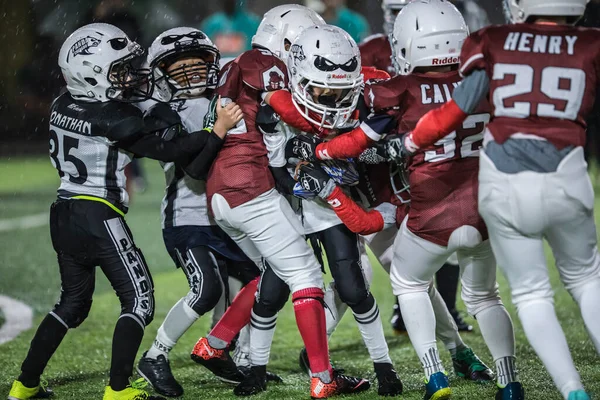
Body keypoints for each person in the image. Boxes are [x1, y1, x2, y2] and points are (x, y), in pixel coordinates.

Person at [286, 2, 521, 399]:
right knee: (353, 280)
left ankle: (452, 354)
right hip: (383, 193)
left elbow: (370, 161)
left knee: (399, 280)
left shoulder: (381, 89)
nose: (332, 93)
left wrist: (332, 164)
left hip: (387, 194)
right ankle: (302, 355)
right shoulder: (293, 101)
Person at [6, 23, 244, 400]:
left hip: (64, 211)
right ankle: (118, 387)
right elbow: (172, 150)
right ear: (91, 73)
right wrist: (216, 131)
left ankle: (24, 385)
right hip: (98, 214)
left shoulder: (61, 104)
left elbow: (119, 112)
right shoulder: (113, 118)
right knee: (140, 300)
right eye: (118, 70)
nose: (129, 77)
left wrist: (151, 110)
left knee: (71, 304)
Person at [380, 0, 600, 398]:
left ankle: (435, 376)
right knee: (490, 294)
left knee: (409, 282)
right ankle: (509, 381)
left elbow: (383, 120)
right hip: (494, 204)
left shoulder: (485, 47)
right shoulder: (585, 42)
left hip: (438, 210)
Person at [188, 4, 370, 398]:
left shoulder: (235, 64)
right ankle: (322, 378)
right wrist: (330, 126)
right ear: (287, 40)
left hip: (225, 187)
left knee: (271, 272)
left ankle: (215, 344)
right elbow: (281, 107)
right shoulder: (264, 64)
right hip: (250, 185)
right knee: (306, 277)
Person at [132, 27, 263, 398]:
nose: (190, 72)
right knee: (206, 288)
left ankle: (226, 350)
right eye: (180, 66)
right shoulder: (163, 113)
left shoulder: (224, 98)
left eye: (197, 63)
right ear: (161, 73)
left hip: (226, 217)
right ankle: (155, 355)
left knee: (261, 282)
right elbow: (196, 169)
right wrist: (219, 128)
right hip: (187, 217)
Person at [359, 0, 472, 335]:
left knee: (433, 249)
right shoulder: (372, 49)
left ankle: (447, 317)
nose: (398, 17)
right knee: (370, 262)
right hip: (389, 168)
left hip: (424, 160)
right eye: (394, 9)